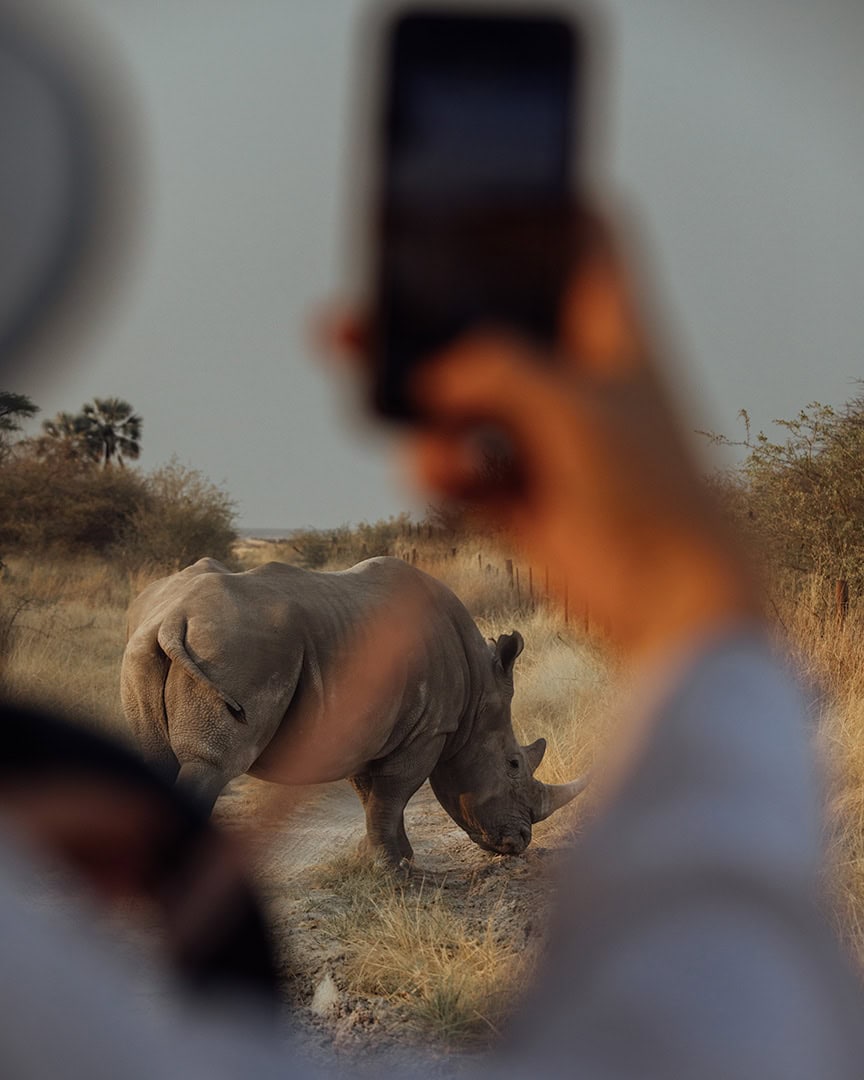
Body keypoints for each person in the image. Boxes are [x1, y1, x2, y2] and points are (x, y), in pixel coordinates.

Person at [2, 10, 864, 1080]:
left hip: (172, 612)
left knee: (171, 777)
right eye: (515, 780)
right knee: (204, 777)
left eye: (519, 788)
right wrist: (703, 614)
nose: (515, 795)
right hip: (245, 633)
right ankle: (225, 882)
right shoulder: (449, 669)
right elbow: (715, 1028)